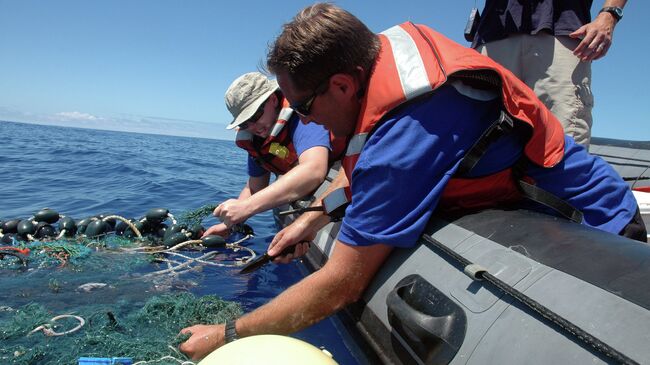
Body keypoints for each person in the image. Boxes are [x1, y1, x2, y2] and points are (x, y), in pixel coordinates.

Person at [179, 4, 645, 360]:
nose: (304, 119)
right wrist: (315, 217)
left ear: (341, 85)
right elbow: (373, 179)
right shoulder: (378, 63)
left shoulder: (406, 136)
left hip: (594, 232)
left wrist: (227, 336)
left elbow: (341, 284)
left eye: (301, 107)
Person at [202, 72, 343, 237]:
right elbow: (254, 187)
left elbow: (313, 171)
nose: (254, 126)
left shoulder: (302, 117)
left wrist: (247, 207)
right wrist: (229, 224)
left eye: (255, 116)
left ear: (273, 100)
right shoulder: (258, 140)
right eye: (245, 123)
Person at [471, 0, 627, 147]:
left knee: (562, 141)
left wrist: (609, 14)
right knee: (477, 140)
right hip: (492, 34)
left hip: (563, 31)